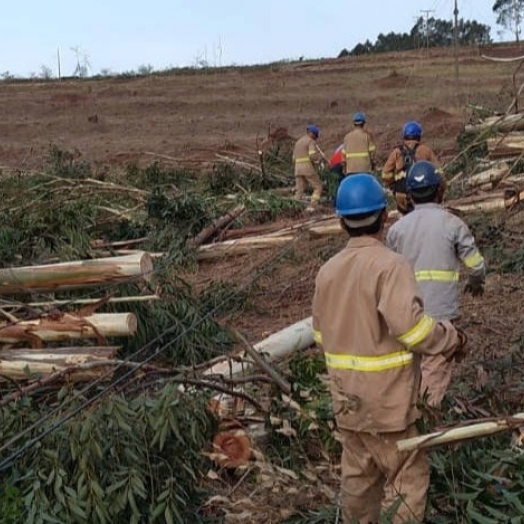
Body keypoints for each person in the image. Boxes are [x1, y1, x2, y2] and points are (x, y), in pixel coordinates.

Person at [312, 173, 463, 523]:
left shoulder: (327, 271)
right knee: (407, 481)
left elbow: (321, 336)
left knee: (358, 485)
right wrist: (450, 338)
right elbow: (414, 331)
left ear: (340, 222)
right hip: (389, 403)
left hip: (346, 400)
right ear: (384, 217)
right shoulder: (391, 266)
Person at [386, 161, 485, 408]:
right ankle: (427, 422)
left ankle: (407, 413)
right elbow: (476, 265)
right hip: (441, 312)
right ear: (440, 190)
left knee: (409, 364)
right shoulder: (453, 224)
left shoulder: (396, 230)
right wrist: (475, 283)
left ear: (409, 195)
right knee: (435, 362)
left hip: (406, 312)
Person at [382, 121, 439, 215]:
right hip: (422, 194)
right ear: (419, 136)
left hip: (401, 195)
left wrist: (393, 187)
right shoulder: (426, 150)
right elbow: (439, 172)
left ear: (404, 136)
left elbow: (385, 174)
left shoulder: (396, 152)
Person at [292, 124, 323, 204]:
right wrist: (318, 160)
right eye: (316, 135)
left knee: (299, 190)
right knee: (318, 187)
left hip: (297, 169)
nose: (316, 138)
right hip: (307, 168)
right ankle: (314, 204)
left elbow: (293, 158)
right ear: (312, 133)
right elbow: (312, 154)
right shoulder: (310, 141)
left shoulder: (298, 142)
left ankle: (295, 205)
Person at [341, 112, 376, 177]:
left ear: (354, 124)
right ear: (363, 124)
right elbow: (372, 155)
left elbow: (343, 157)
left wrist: (344, 169)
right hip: (365, 170)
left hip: (351, 170)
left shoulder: (347, 137)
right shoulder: (367, 137)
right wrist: (373, 166)